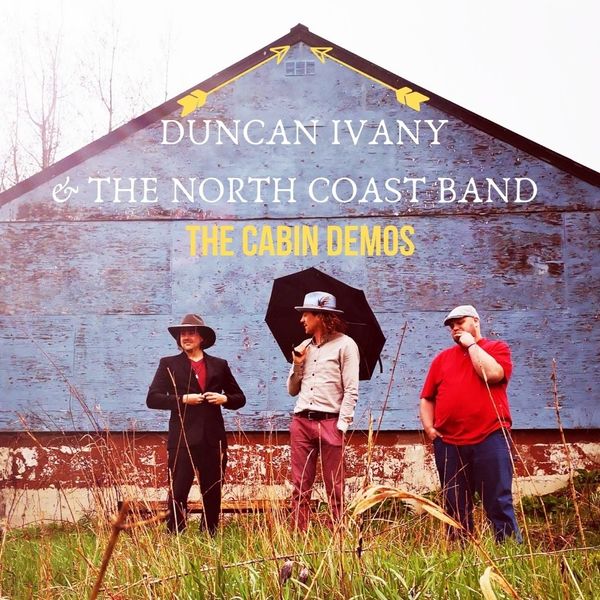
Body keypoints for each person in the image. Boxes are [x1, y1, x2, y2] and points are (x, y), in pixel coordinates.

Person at [419, 304, 521, 542]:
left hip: (490, 436)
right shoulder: (442, 359)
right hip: (449, 443)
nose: (455, 328)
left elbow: (492, 375)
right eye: (451, 326)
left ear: (476, 321)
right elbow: (427, 397)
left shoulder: (496, 348)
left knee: (498, 500)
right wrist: (430, 429)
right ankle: (460, 553)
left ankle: (509, 550)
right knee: (454, 504)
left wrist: (471, 345)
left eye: (460, 322)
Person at [146, 314, 246, 535]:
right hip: (182, 437)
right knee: (178, 490)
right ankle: (175, 534)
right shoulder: (169, 364)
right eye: (182, 333)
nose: (186, 337)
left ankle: (210, 534)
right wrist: (183, 399)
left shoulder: (219, 365)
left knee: (212, 490)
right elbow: (152, 399)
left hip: (212, 438)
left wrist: (224, 399)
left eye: (191, 333)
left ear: (202, 337)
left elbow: (239, 397)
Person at [287, 291, 360, 531]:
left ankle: (337, 534)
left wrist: (342, 425)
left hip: (331, 422)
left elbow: (351, 389)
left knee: (335, 485)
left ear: (320, 315)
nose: (301, 320)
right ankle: (299, 534)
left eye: (306, 314)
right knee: (300, 485)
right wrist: (298, 364)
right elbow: (292, 390)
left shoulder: (346, 345)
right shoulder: (302, 347)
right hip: (301, 421)